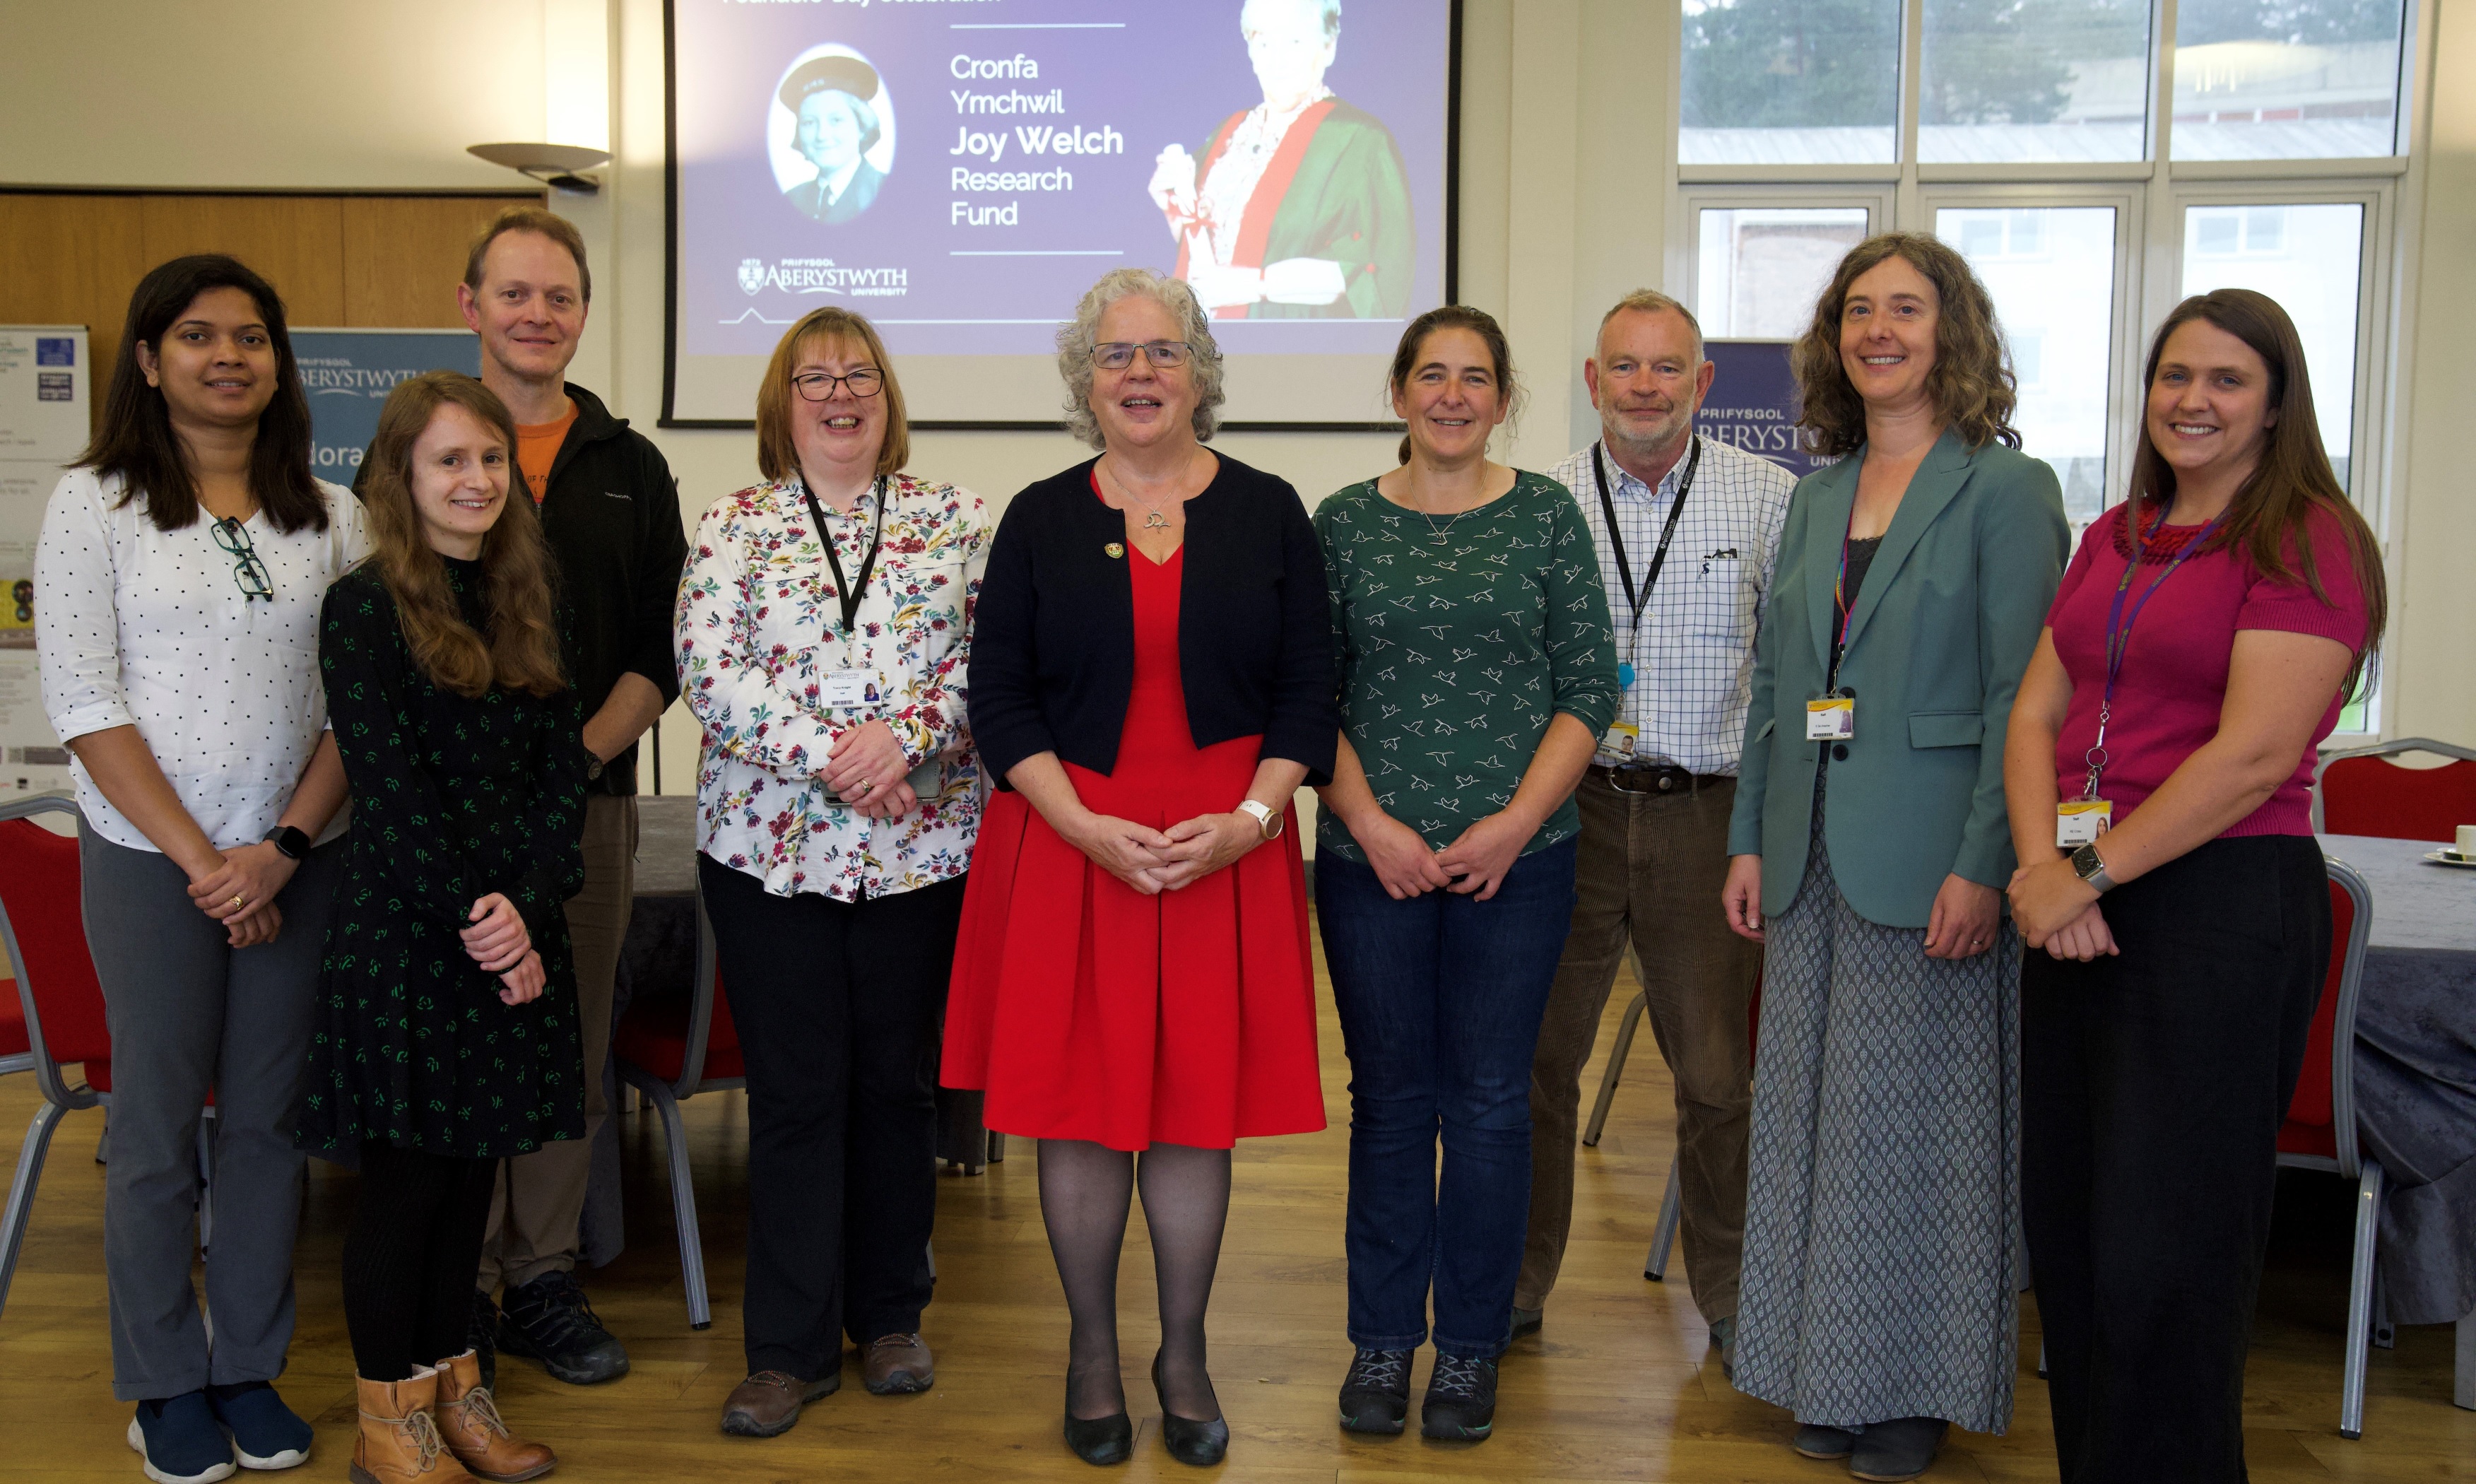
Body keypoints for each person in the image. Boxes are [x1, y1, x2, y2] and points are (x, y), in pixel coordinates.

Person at [943, 268, 1335, 1469]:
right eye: (1115, 356)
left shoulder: (1269, 511)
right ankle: (1089, 1356)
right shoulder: (1040, 516)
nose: (1140, 374)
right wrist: (1077, 824)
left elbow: (1305, 694)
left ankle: (1181, 1353)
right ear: (1083, 381)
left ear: (1200, 372)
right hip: (1072, 845)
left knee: (1187, 1115)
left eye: (1162, 352)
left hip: (1221, 849)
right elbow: (997, 698)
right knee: (1076, 1108)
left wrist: (1248, 824)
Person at [2003, 290, 2383, 1483]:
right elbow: (2034, 709)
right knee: (2070, 1240)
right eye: (2174, 376)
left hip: (2215, 907)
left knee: (2164, 1257)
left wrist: (2083, 873)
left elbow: (2256, 756)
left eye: (2225, 380)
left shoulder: (2306, 538)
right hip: (2076, 895)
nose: (2192, 400)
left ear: (2274, 403)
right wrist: (2042, 870)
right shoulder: (2112, 532)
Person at [1719, 232, 2068, 1483]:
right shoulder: (1814, 492)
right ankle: (1822, 1370)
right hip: (1809, 858)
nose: (1877, 330)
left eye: (1905, 310)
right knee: (1812, 1126)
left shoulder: (2002, 491)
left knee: (1921, 1137)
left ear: (1951, 332)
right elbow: (1777, 689)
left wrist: (1989, 864)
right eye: (1856, 310)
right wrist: (1751, 838)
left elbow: (2025, 698)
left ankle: (1912, 1387)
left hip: (1934, 864)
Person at [35, 254, 364, 1484]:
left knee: (272, 1127)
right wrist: (205, 864)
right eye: (197, 335)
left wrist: (276, 853)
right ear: (150, 358)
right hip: (149, 864)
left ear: (280, 363)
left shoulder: (334, 514)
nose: (228, 356)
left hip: (297, 859)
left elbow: (354, 710)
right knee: (160, 1132)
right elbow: (85, 700)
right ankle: (164, 1385)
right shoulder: (96, 504)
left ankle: (247, 1368)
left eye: (251, 337)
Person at [676, 307, 991, 1438]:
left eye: (860, 375)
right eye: (814, 378)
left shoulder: (958, 521)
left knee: (898, 1087)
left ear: (888, 396)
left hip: (923, 851)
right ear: (782, 403)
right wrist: (844, 760)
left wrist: (904, 744)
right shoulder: (730, 529)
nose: (840, 393)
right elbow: (711, 676)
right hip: (769, 855)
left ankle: (893, 1317)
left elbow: (986, 663)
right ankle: (789, 1350)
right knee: (798, 1095)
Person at [389, 206, 686, 1388]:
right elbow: (388, 613)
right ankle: (451, 1287)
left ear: (580, 315)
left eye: (558, 297)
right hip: (440, 825)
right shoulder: (418, 445)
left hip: (587, 806)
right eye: (514, 294)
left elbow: (665, 644)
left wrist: (566, 765)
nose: (536, 315)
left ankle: (543, 1276)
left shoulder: (629, 466)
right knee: (457, 1031)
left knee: (568, 1039)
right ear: (471, 307)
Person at [1314, 305, 1619, 1443]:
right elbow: (1309, 694)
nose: (1452, 395)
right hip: (1367, 863)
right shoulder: (1340, 523)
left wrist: (1511, 824)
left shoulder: (1546, 516)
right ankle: (1384, 1343)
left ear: (1503, 399)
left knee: (1492, 1107)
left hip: (1522, 864)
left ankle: (1471, 1353)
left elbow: (1590, 686)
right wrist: (1373, 823)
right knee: (1391, 1105)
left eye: (1475, 378)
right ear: (1399, 395)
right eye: (1431, 376)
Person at [300, 371, 583, 1484]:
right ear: (402, 479)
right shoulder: (364, 607)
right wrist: (486, 925)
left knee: (474, 1183)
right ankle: (392, 1423)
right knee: (409, 1190)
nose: (474, 480)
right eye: (449, 461)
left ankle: (459, 1397)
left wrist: (527, 908)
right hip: (414, 941)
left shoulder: (527, 599)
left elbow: (564, 776)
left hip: (513, 926)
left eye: (490, 461)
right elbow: (393, 790)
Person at [1520, 290, 1795, 1362]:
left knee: (1718, 1075)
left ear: (1703, 382)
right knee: (1539, 1065)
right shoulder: (1539, 507)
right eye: (1624, 368)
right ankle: (1517, 1284)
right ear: (1593, 381)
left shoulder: (1769, 500)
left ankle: (1731, 1302)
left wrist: (1765, 830)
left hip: (1707, 814)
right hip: (1569, 812)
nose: (1645, 387)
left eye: (1667, 368)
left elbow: (1787, 679)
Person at [1148, 0, 1415, 319]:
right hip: (1208, 347)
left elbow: (1379, 272)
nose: (1278, 58)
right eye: (1264, 42)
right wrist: (1176, 212)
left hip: (1299, 354)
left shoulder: (1361, 141)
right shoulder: (1229, 132)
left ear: (1329, 47)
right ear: (1250, 50)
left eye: (1295, 41)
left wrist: (1256, 285)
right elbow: (1212, 259)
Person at [780, 54, 887, 223]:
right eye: (809, 123)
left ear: (861, 126)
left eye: (836, 120)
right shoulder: (792, 199)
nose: (822, 135)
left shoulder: (886, 191)